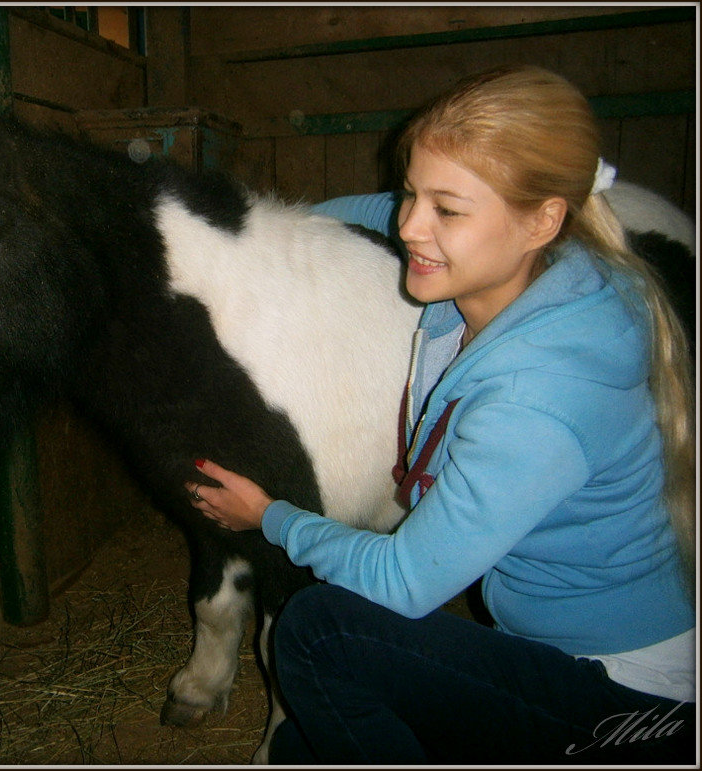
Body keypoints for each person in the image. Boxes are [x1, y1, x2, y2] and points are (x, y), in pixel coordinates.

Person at [185, 65, 696, 764]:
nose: (409, 226)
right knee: (304, 752)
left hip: (625, 697)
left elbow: (406, 582)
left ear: (542, 218)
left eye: (445, 210)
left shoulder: (537, 397)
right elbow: (369, 214)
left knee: (320, 630)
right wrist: (260, 236)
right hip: (547, 645)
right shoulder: (542, 270)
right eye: (411, 193)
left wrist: (269, 515)